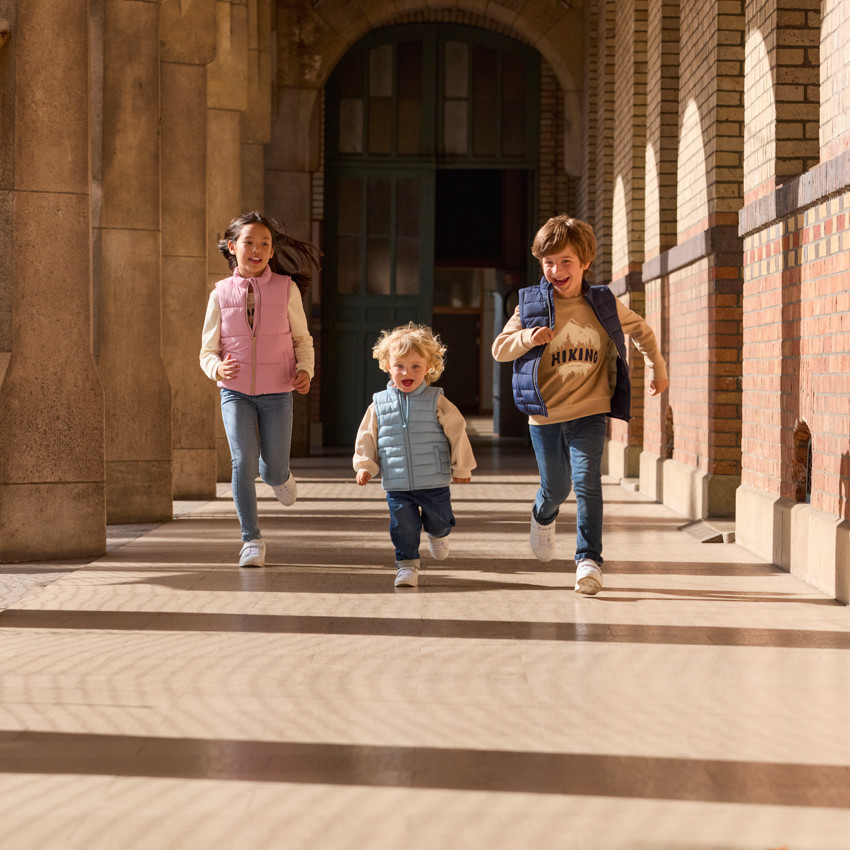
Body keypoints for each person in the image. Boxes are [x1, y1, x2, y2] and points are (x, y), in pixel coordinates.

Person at [492, 215, 669, 595]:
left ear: (585, 261)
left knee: (588, 481)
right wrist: (526, 337)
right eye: (548, 262)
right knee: (556, 488)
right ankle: (543, 514)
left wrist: (657, 366)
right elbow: (499, 349)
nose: (556, 270)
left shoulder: (602, 302)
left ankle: (588, 560)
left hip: (590, 409)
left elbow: (641, 329)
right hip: (545, 415)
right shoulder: (531, 305)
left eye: (565, 261)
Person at [200, 211, 320, 568]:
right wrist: (217, 368)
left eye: (264, 244)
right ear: (232, 247)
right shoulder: (220, 293)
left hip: (278, 390)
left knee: (272, 469)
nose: (256, 249)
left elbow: (302, 338)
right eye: (248, 242)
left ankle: (280, 477)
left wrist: (305, 370)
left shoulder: (287, 288)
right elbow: (207, 350)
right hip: (234, 391)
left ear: (271, 252)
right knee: (243, 463)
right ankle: (251, 540)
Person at [353, 323, 477, 588]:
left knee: (439, 518)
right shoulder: (379, 403)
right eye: (399, 366)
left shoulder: (437, 400)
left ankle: (439, 533)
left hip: (433, 479)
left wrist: (462, 468)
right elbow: (367, 436)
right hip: (397, 483)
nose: (406, 372)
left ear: (429, 367)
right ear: (387, 365)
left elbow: (458, 433)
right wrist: (365, 465)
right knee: (403, 527)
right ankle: (407, 566)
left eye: (415, 367)